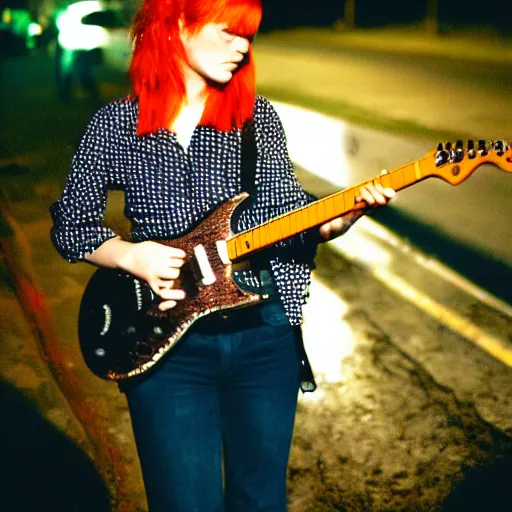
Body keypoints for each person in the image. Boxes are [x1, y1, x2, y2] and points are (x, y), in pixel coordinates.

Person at [49, 0, 395, 510]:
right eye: (229, 31)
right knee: (185, 502)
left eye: (248, 36)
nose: (242, 46)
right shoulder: (117, 124)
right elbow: (71, 225)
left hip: (263, 338)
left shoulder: (257, 120)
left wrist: (337, 220)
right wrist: (132, 256)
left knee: (260, 499)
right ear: (177, 25)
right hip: (165, 348)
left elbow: (289, 217)